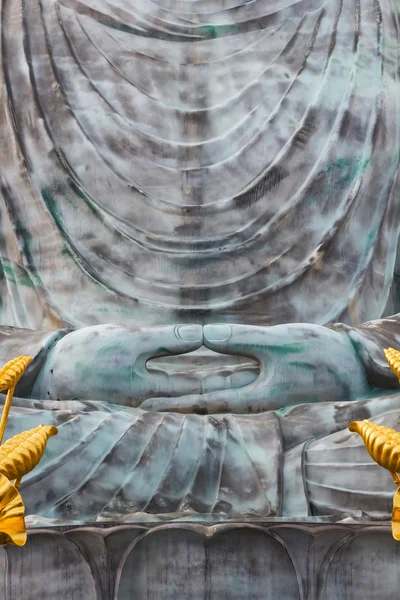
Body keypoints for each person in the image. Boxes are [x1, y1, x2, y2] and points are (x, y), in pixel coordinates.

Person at [0, 0, 399, 522]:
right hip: (65, 426)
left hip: (340, 426)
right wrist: (53, 364)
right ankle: (273, 480)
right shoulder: (15, 22)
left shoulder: (382, 19)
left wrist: (352, 356)